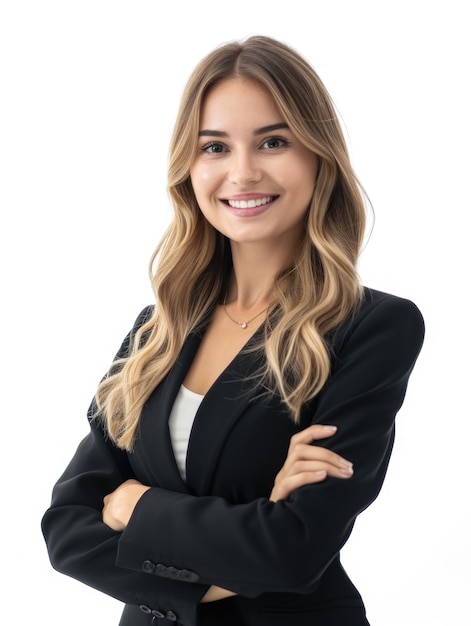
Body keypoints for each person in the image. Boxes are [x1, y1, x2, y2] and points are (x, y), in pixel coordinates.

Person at [41, 35, 425, 626]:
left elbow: (293, 551)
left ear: (318, 157)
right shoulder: (158, 330)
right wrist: (226, 565)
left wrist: (135, 504)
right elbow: (67, 528)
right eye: (215, 146)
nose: (242, 172)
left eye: (273, 142)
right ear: (189, 169)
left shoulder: (372, 327)